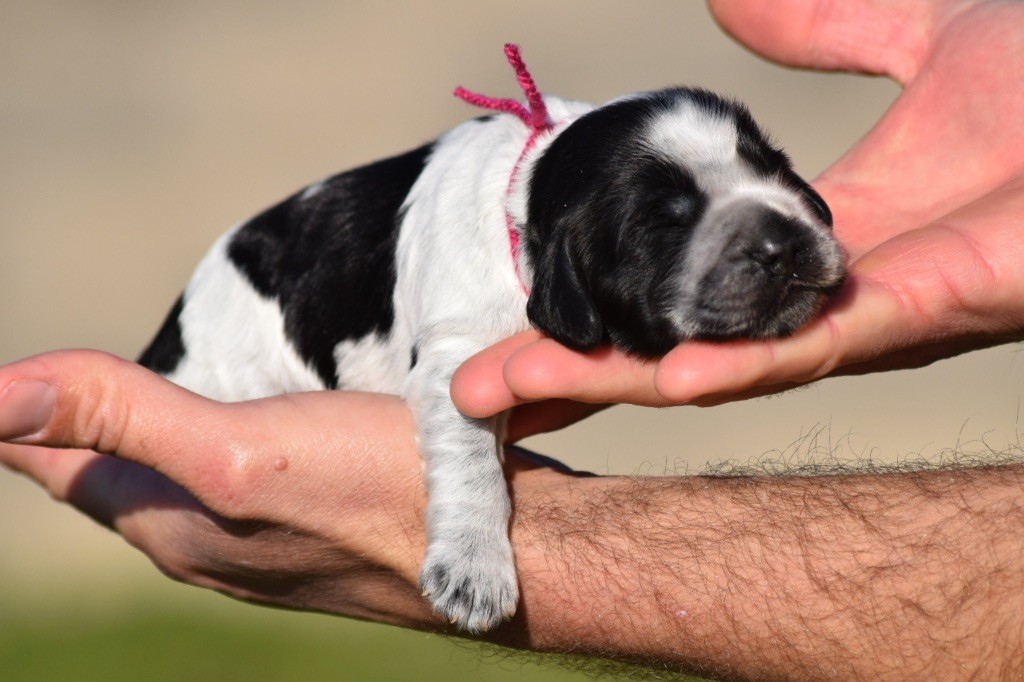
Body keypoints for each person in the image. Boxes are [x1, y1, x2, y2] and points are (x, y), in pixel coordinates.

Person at [1, 0, 1022, 678]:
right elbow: (450, 376)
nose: (770, 220)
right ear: (564, 282)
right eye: (671, 223)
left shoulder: (590, 170)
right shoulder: (488, 256)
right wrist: (471, 531)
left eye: (765, 165)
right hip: (244, 346)